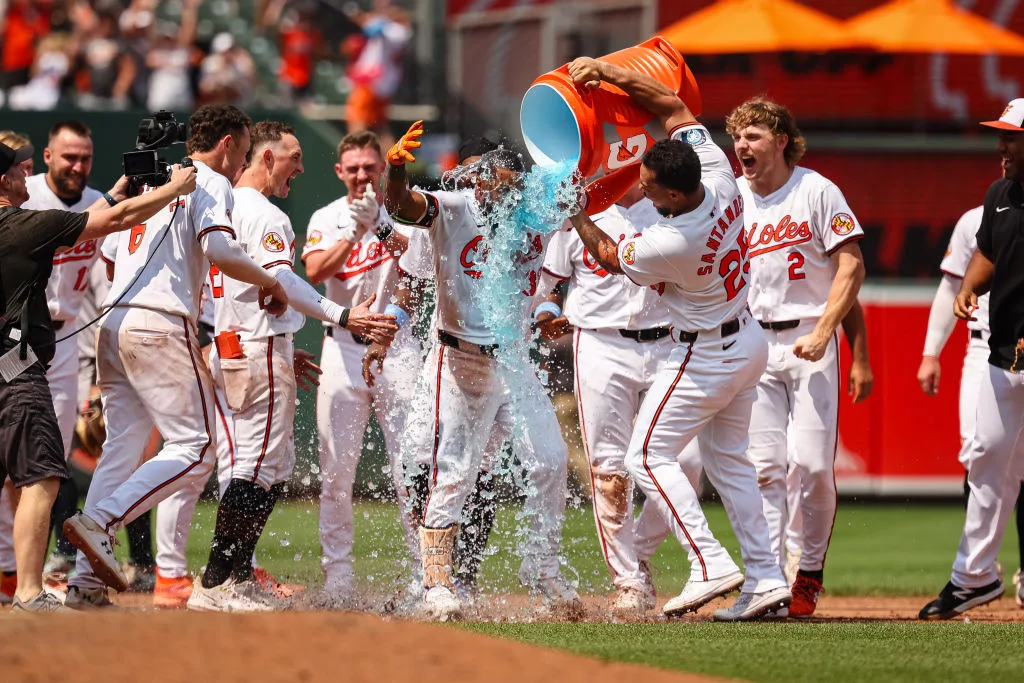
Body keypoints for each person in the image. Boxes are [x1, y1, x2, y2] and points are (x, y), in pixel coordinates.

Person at [565, 57, 790, 622]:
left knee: (645, 455)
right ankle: (765, 576)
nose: (640, 191)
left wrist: (575, 213)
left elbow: (609, 256)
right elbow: (671, 105)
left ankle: (709, 562)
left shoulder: (671, 239)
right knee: (731, 462)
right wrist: (609, 74)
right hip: (748, 340)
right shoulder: (714, 169)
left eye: (648, 188)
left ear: (668, 195)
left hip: (705, 349)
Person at [60, 104, 292, 609]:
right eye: (244, 146)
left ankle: (83, 582)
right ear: (228, 142)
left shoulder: (153, 177)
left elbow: (106, 253)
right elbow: (222, 253)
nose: (245, 158)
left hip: (113, 318)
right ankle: (100, 522)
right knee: (196, 447)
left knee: (121, 447)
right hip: (160, 321)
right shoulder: (209, 181)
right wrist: (272, 280)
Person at [186, 121, 397, 611]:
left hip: (233, 345)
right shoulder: (265, 214)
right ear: (265, 158)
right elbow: (288, 283)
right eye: (293, 156)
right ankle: (216, 584)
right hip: (256, 350)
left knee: (262, 467)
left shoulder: (219, 206)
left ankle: (237, 576)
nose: (300, 167)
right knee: (258, 469)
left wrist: (278, 339)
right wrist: (343, 314)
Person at [383, 123, 580, 621]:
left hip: (513, 359)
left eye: (509, 180)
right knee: (452, 472)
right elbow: (400, 206)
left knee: (552, 459)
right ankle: (435, 582)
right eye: (489, 178)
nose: (496, 188)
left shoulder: (535, 216)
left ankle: (542, 572)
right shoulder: (452, 210)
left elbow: (589, 193)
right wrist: (395, 168)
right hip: (459, 358)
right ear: (472, 179)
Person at [0, 139, 198, 612]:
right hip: (14, 369)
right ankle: (29, 593)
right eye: (16, 171)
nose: (24, 177)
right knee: (43, 478)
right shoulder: (23, 225)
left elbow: (98, 215)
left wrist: (113, 191)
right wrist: (173, 189)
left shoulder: (26, 223)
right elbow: (114, 222)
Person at [724, 98, 867, 616]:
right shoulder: (731, 196)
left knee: (810, 466)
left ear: (781, 140)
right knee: (764, 468)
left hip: (809, 336)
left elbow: (850, 269)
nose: (742, 145)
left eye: (754, 134)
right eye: (737, 136)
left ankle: (807, 572)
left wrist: (832, 335)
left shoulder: (816, 190)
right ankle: (767, 579)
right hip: (753, 341)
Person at [537, 184, 699, 618]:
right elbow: (551, 284)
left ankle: (639, 553)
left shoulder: (670, 209)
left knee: (689, 462)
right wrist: (546, 311)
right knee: (609, 471)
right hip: (601, 344)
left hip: (667, 341)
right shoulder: (577, 213)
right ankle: (628, 581)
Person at [301, 130, 417, 602]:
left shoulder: (402, 211)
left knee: (410, 468)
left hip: (398, 347)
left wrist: (380, 227)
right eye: (353, 168)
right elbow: (315, 274)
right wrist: (353, 231)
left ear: (383, 169)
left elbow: (416, 271)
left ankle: (423, 574)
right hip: (343, 349)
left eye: (370, 167)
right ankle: (338, 579)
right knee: (337, 473)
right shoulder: (326, 216)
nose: (362, 176)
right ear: (339, 172)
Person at [920, 99, 1024, 619]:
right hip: (1003, 354)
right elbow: (986, 251)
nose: (1001, 146)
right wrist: (969, 287)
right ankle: (974, 577)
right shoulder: (1000, 195)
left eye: (1010, 137)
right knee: (985, 459)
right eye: (1000, 136)